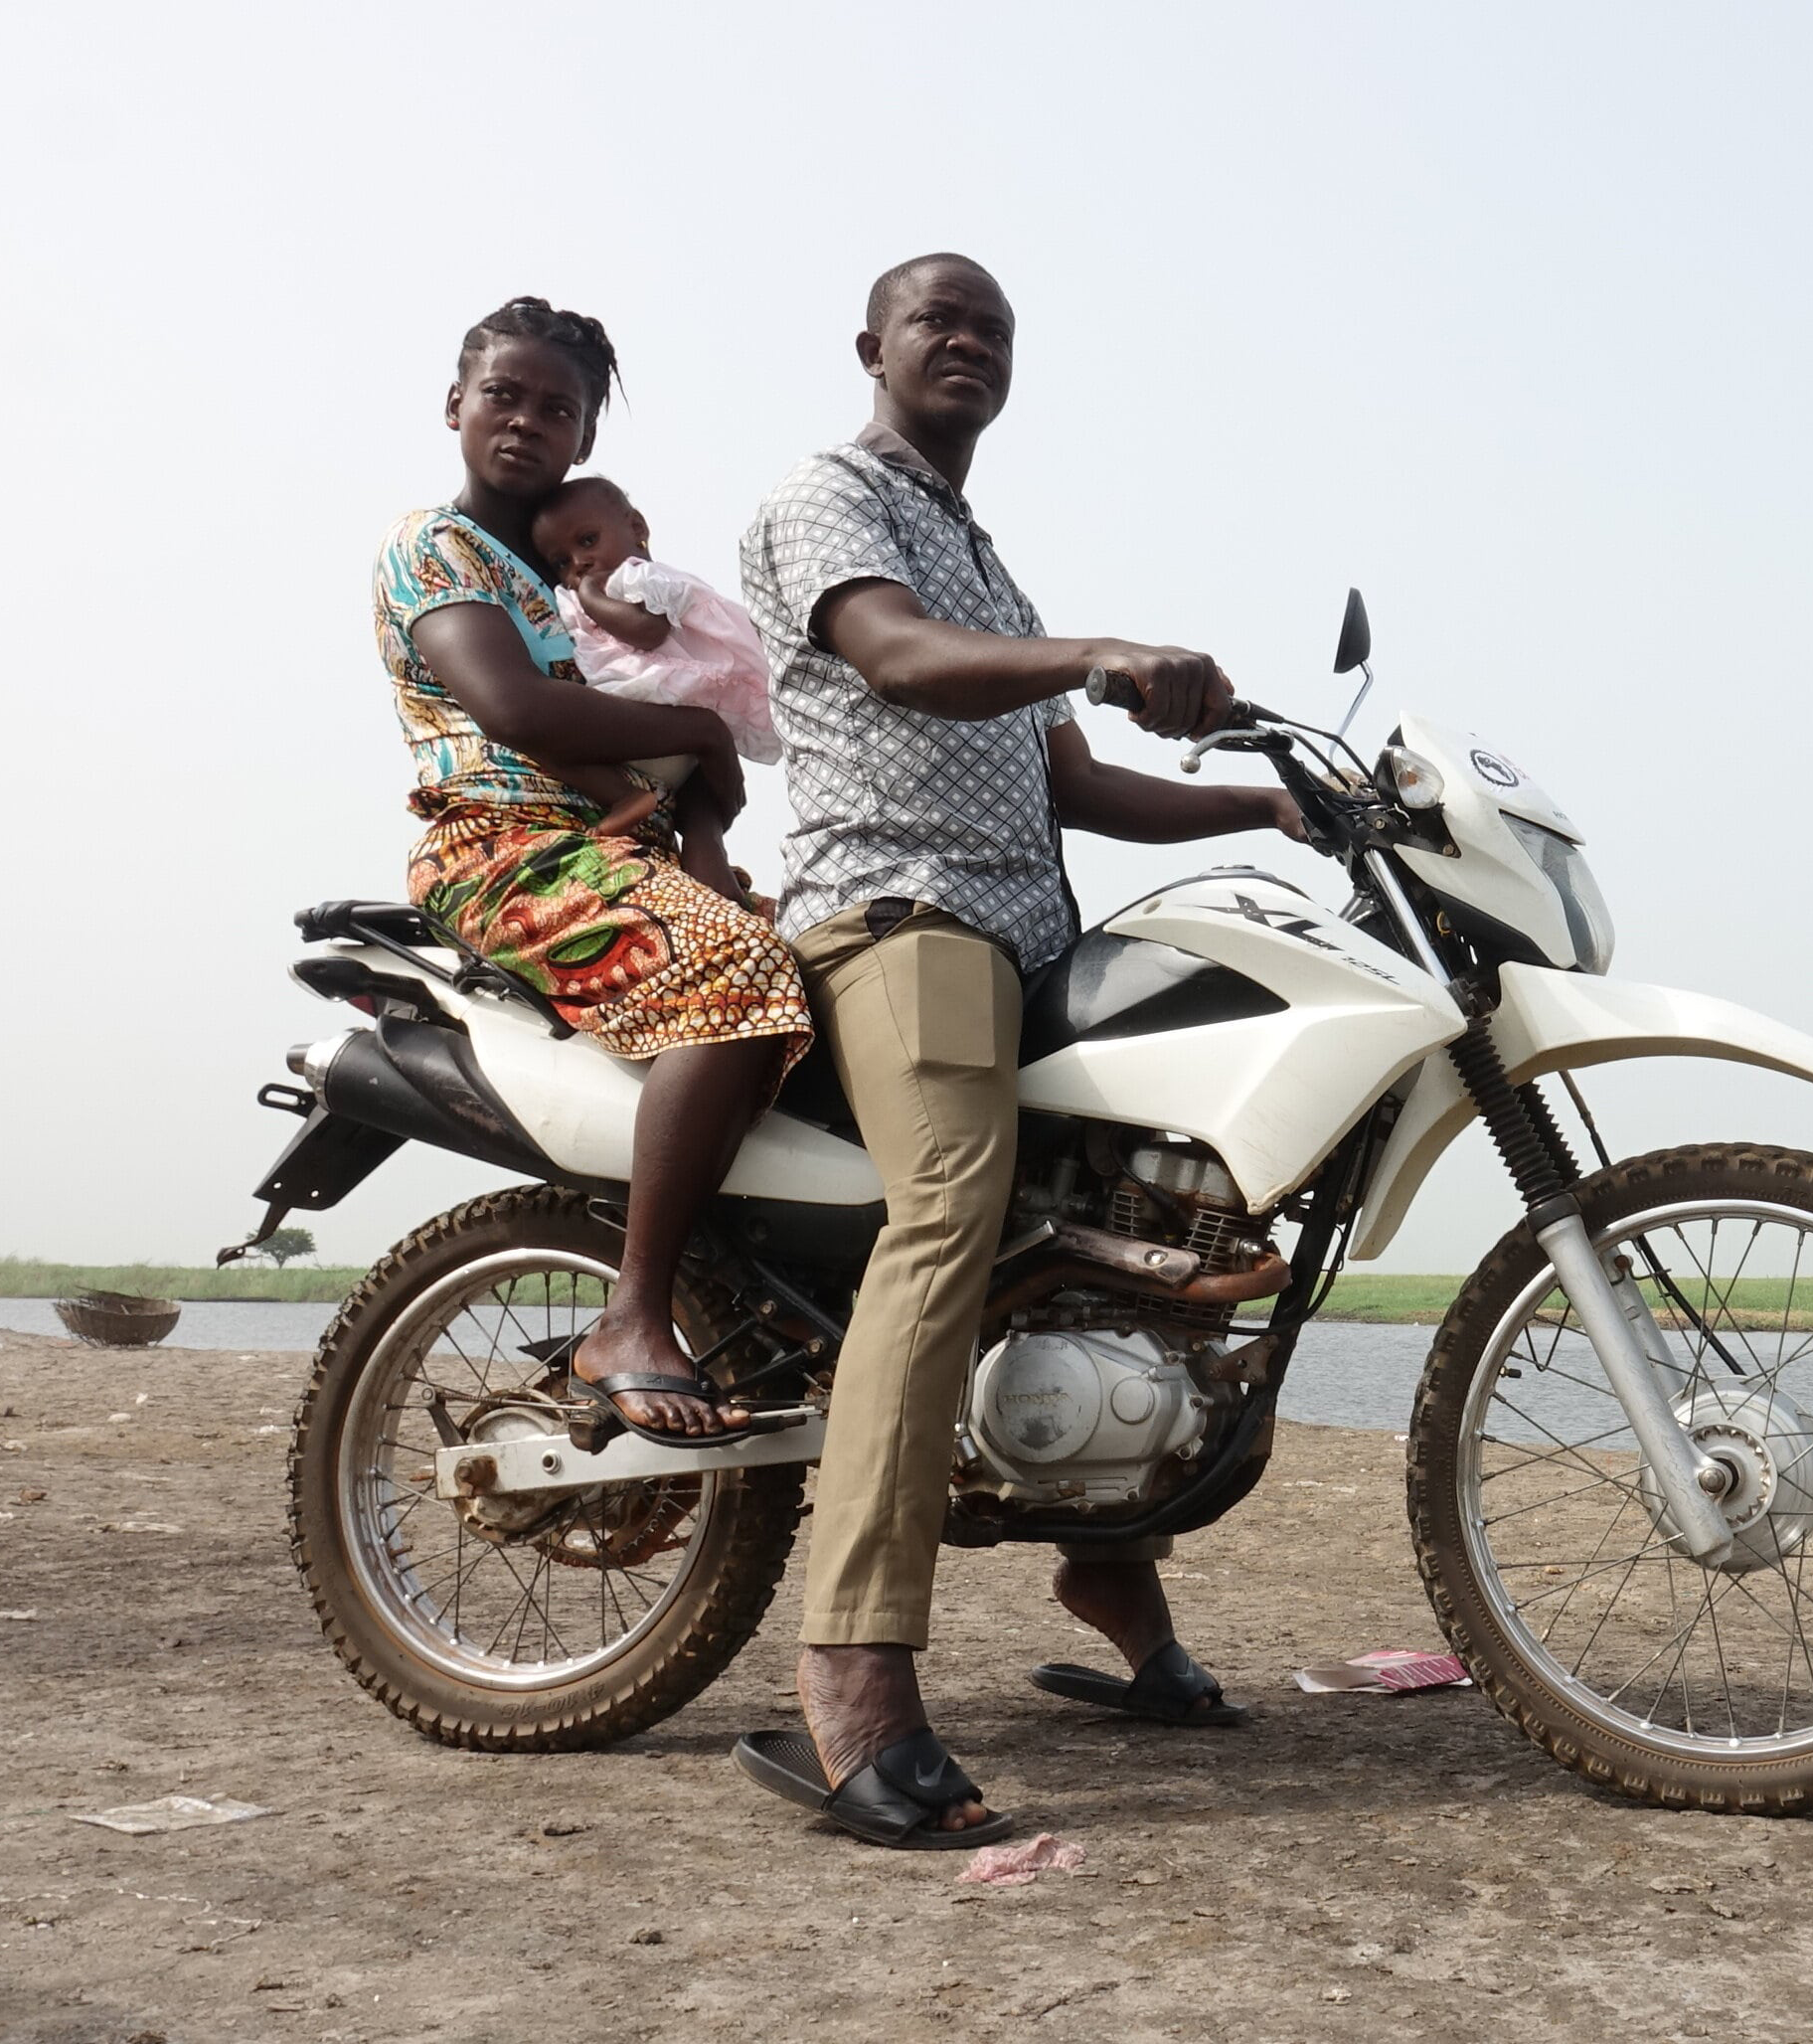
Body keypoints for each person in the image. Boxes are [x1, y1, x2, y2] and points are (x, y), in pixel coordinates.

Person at [733, 252, 1303, 1849]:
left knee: (1136, 1228)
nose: (967, 343)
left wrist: (1276, 805)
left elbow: (1076, 789)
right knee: (953, 1216)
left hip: (1028, 938)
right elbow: (899, 659)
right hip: (903, 918)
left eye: (991, 327)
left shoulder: (992, 564)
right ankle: (850, 1672)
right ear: (875, 347)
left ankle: (1112, 1572)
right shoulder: (827, 496)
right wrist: (1106, 655)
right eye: (940, 321)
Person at [374, 296, 810, 1447]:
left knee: (840, 974)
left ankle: (773, 1304)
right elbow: (514, 709)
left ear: (583, 439)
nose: (525, 420)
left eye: (555, 407)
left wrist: (707, 789)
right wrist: (702, 739)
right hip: (503, 848)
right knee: (736, 972)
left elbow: (689, 752)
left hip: (626, 848)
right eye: (504, 395)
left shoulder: (580, 582)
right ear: (455, 404)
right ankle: (630, 1311)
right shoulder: (438, 549)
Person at [524, 475, 782, 898]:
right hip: (677, 740)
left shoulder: (634, 579)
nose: (578, 565)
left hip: (644, 707)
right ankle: (720, 886)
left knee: (545, 734)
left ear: (638, 530)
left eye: (588, 541)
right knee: (700, 820)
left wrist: (590, 596)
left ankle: (625, 798)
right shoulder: (578, 591)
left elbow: (646, 631)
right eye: (561, 562)